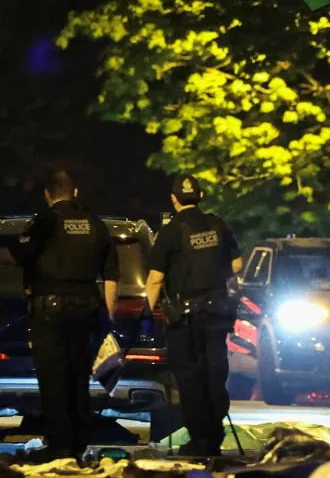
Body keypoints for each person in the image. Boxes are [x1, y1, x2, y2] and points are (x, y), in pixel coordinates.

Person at [0, 171, 118, 462]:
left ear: (47, 194)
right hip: (85, 311)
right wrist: (109, 318)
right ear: (75, 192)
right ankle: (79, 444)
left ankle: (60, 445)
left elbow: (15, 256)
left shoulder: (45, 221)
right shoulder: (95, 224)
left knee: (54, 379)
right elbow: (111, 276)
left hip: (50, 313)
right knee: (79, 378)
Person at [144, 175, 242, 457]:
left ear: (174, 200)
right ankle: (215, 435)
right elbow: (237, 263)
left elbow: (155, 278)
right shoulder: (217, 224)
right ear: (200, 197)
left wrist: (146, 315)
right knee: (214, 372)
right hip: (216, 314)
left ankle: (199, 439)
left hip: (185, 319)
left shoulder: (172, 230)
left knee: (189, 377)